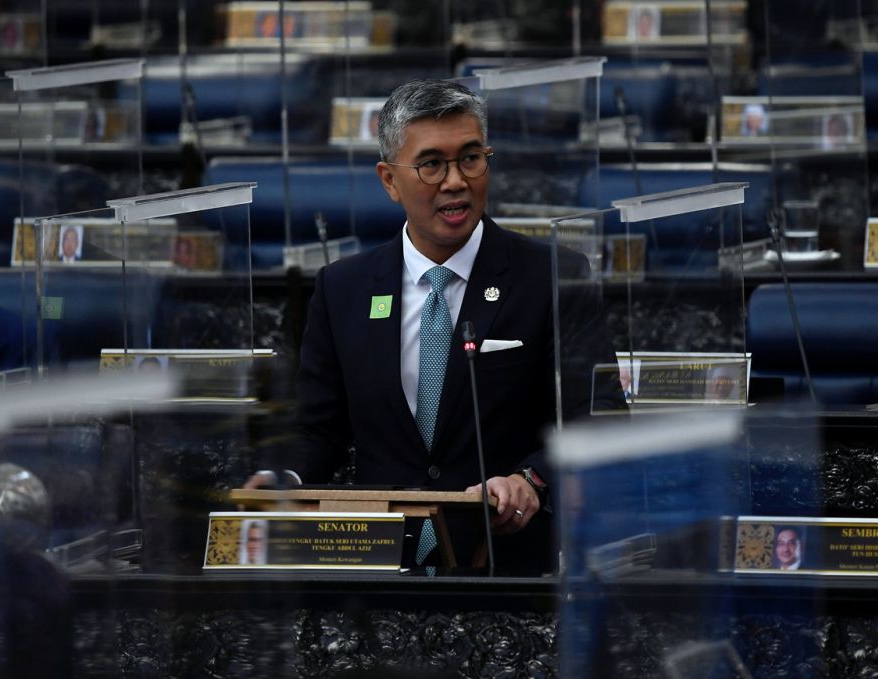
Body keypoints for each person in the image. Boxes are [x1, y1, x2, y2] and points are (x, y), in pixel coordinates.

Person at [247, 79, 613, 573]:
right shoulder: (344, 288)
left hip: (507, 563)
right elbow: (318, 427)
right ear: (389, 180)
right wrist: (284, 476)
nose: (455, 180)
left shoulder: (553, 277)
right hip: (375, 566)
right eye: (431, 164)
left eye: (470, 158)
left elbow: (599, 414)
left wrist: (531, 480)